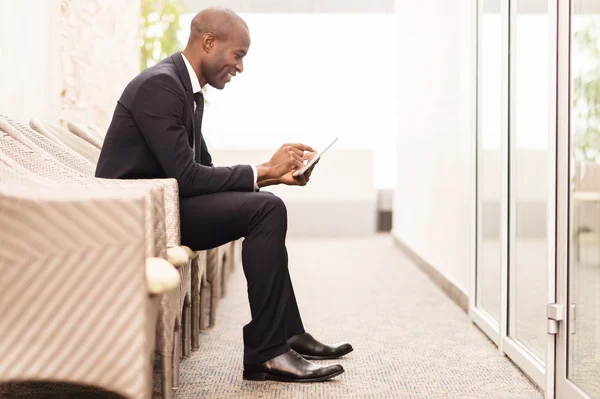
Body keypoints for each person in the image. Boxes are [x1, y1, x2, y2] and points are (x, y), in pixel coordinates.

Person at [96, 7, 352, 383]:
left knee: (266, 206)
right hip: (138, 218)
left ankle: (285, 334)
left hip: (163, 206)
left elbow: (204, 173)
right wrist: (265, 169)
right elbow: (188, 177)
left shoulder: (184, 89)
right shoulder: (161, 86)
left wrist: (275, 176)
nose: (241, 67)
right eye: (239, 55)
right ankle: (268, 352)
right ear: (208, 42)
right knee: (267, 211)